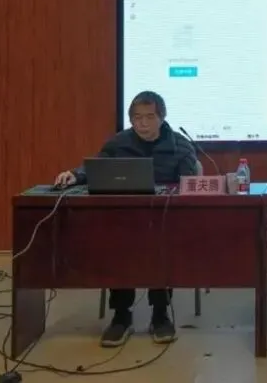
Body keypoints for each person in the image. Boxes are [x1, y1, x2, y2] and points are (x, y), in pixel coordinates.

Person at [54, 90, 198, 347]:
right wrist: (75, 175)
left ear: (162, 117)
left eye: (149, 117)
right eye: (137, 118)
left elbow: (189, 184)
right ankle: (121, 316)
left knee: (162, 243)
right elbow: (95, 167)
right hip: (124, 219)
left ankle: (160, 314)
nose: (143, 124)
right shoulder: (118, 143)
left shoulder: (180, 145)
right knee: (115, 245)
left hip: (162, 219)